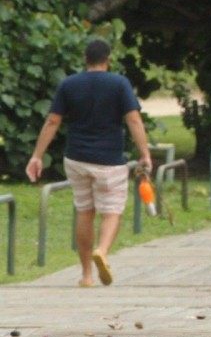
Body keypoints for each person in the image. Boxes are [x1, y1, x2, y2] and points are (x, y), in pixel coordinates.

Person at [25, 38, 152, 287]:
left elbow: (52, 121)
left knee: (84, 211)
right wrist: (145, 153)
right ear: (108, 59)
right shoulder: (119, 83)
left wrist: (37, 155)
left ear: (86, 59)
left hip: (76, 158)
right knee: (112, 211)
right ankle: (102, 251)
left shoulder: (69, 84)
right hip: (109, 160)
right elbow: (134, 120)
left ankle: (86, 275)